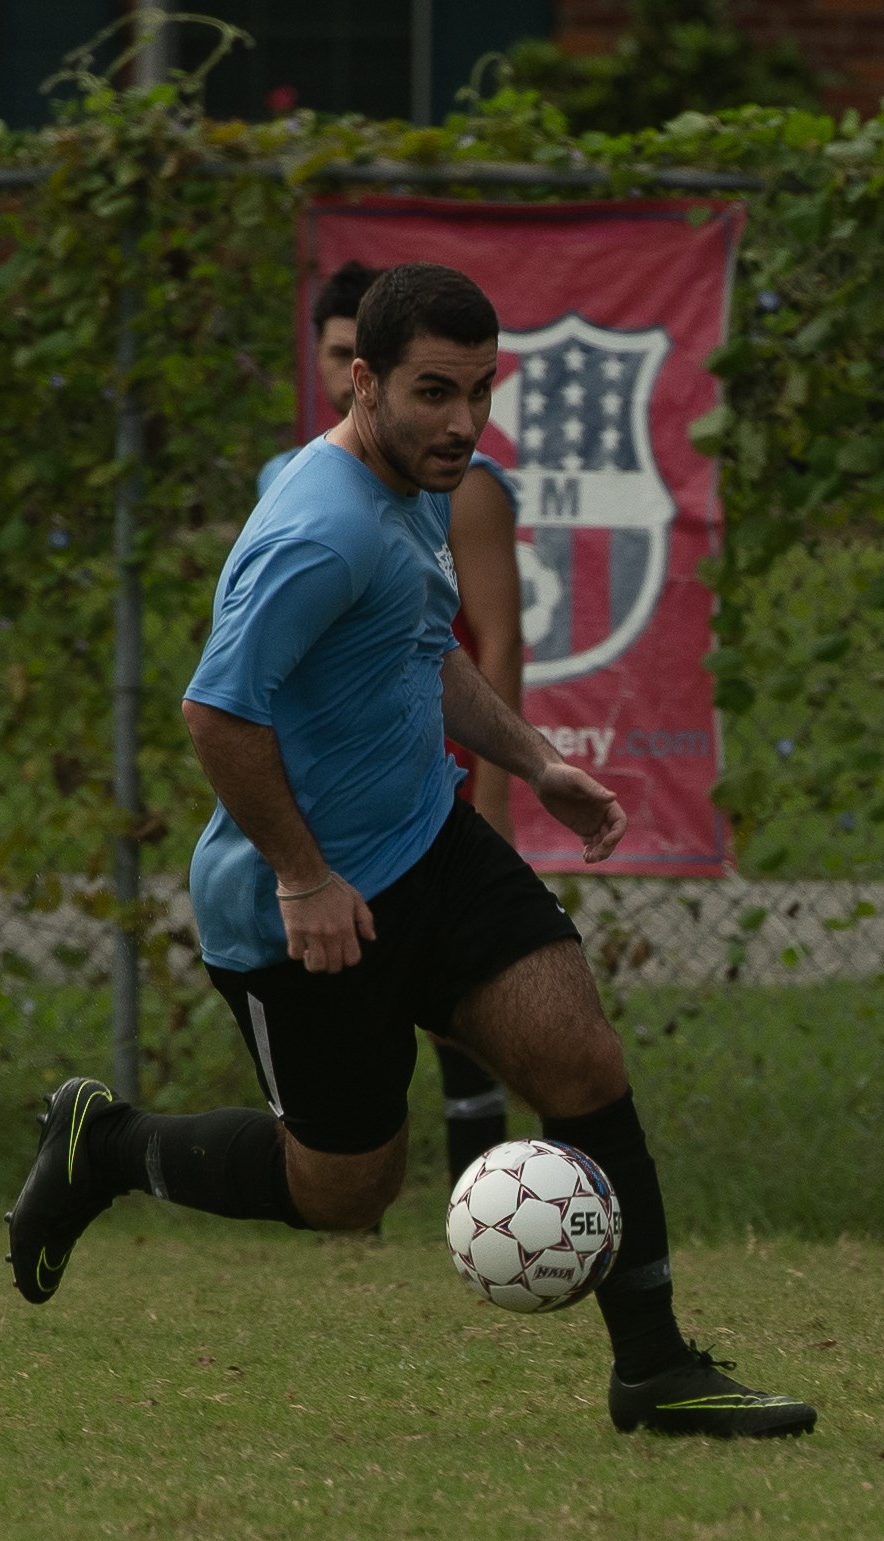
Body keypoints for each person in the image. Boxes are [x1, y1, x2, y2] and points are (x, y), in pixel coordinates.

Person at [5, 263, 813, 1439]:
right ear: (362, 378)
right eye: (434, 391)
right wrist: (304, 875)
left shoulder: (425, 487)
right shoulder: (316, 528)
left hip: (428, 843)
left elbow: (421, 648)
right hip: (301, 904)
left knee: (581, 1062)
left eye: (481, 391)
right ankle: (108, 1145)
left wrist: (534, 761)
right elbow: (217, 714)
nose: (461, 422)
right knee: (344, 1189)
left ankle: (654, 1365)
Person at [262, 261, 528, 1186]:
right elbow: (236, 695)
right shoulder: (304, 492)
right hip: (334, 820)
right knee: (350, 1138)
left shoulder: (463, 485)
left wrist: (502, 788)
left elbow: (488, 642)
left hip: (438, 784)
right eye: (335, 357)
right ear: (347, 370)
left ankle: (485, 1206)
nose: (344, 376)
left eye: (475, 388)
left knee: (477, 1025)